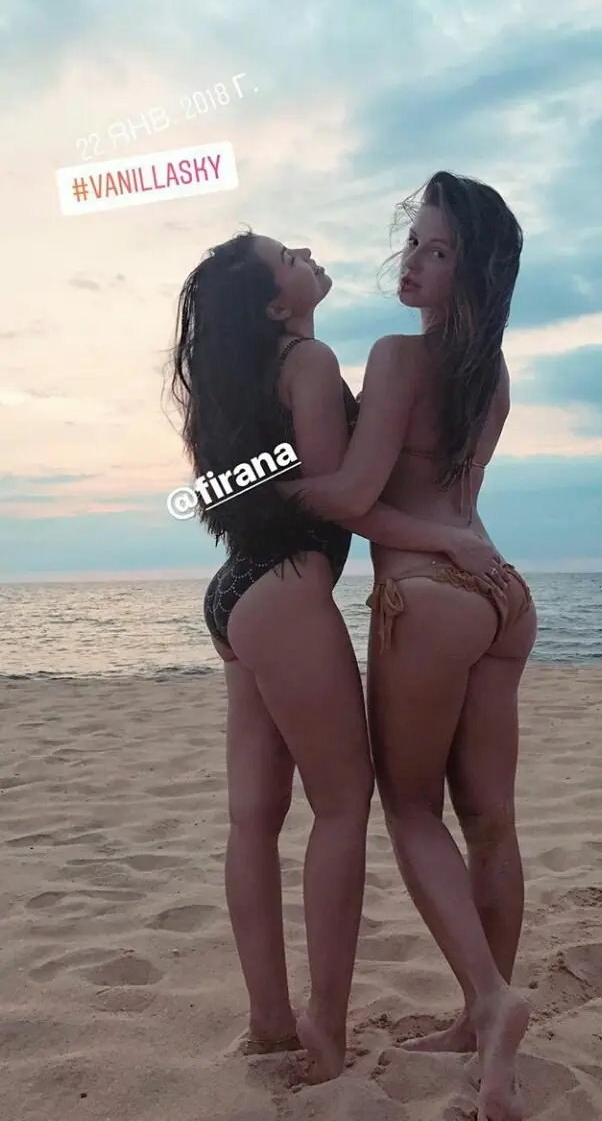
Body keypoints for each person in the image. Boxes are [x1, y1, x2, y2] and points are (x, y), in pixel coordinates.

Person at [167, 228, 513, 1085]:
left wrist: (249, 489)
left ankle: (269, 1022)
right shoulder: (310, 363)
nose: (307, 254)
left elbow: (234, 491)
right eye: (289, 259)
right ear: (275, 304)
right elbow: (347, 501)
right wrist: (443, 538)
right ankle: (323, 1023)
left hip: (235, 595)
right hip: (290, 588)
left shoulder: (229, 382)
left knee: (253, 817)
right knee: (341, 806)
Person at [280, 173, 537, 1119]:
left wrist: (260, 486)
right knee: (492, 818)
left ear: (473, 274)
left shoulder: (396, 357)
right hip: (502, 596)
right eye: (416, 242)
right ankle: (480, 1024)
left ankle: (491, 1000)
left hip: (427, 598)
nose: (415, 263)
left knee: (413, 809)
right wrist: (453, 541)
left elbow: (353, 498)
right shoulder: (492, 375)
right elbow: (451, 497)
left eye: (439, 252)